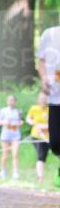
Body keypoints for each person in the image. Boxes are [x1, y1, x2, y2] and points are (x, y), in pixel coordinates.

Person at [38, 25, 60, 185]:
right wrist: (44, 79)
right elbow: (41, 60)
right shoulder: (49, 33)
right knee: (55, 142)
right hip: (55, 95)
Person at [27, 92, 51, 186]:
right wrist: (33, 123)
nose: (43, 100)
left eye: (45, 98)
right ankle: (40, 177)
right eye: (41, 98)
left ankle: (41, 175)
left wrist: (46, 123)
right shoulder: (34, 108)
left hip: (48, 137)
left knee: (45, 156)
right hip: (37, 136)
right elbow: (28, 119)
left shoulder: (50, 110)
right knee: (41, 155)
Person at [0, 94, 23, 180]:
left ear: (15, 102)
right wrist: (4, 122)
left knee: (15, 154)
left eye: (12, 100)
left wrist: (20, 123)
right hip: (5, 135)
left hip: (15, 135)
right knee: (5, 154)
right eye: (9, 100)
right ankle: (3, 171)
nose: (11, 102)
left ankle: (15, 172)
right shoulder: (3, 111)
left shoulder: (18, 111)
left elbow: (20, 121)